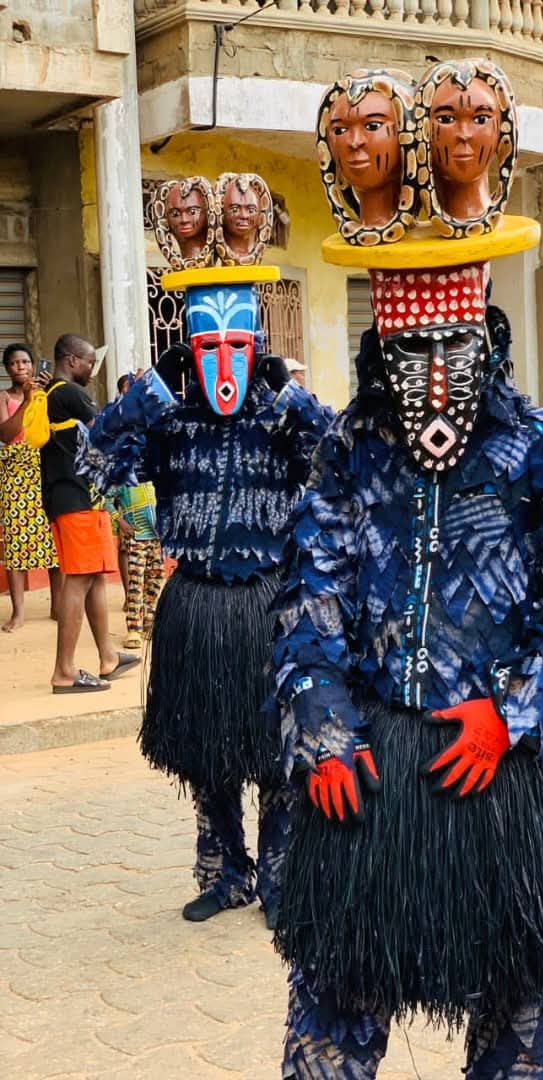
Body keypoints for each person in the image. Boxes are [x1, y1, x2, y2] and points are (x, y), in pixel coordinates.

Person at [272, 60, 543, 1079]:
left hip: (504, 779)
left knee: (516, 1031)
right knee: (329, 1020)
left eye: (450, 348)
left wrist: (512, 716)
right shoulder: (345, 451)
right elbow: (309, 599)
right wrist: (323, 734)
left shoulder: (542, 449)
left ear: (483, 335)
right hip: (368, 776)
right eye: (409, 349)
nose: (431, 374)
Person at [81, 219, 333, 927]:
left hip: (269, 603)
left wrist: (291, 397)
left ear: (258, 345)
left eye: (238, 346)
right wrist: (148, 392)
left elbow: (340, 461)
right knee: (206, 753)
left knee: (280, 754)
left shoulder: (278, 417)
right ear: (188, 350)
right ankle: (225, 875)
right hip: (194, 602)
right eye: (208, 347)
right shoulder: (170, 418)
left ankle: (280, 879)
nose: (224, 362)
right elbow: (93, 463)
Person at [39, 334, 139, 693]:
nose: (92, 370)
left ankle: (107, 657)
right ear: (71, 360)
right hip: (76, 498)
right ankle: (64, 672)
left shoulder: (53, 394)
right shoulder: (68, 393)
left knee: (94, 576)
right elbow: (106, 433)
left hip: (78, 497)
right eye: (88, 362)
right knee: (79, 579)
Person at [0, 342, 60, 631]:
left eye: (25, 362)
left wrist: (45, 393)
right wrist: (25, 401)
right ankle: (19, 612)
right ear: (7, 368)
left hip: (45, 468)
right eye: (14, 363)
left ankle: (58, 606)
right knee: (15, 538)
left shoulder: (46, 393)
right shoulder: (4, 397)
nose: (20, 367)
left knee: (53, 538)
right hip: (15, 473)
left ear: (34, 365)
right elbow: (5, 434)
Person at [108, 477, 162, 651]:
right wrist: (120, 521)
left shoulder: (154, 475)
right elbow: (105, 499)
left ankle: (149, 622)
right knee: (136, 584)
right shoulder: (124, 479)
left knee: (155, 582)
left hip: (157, 539)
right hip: (137, 538)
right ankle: (133, 629)